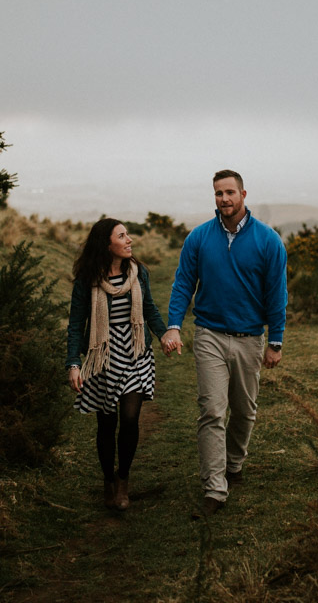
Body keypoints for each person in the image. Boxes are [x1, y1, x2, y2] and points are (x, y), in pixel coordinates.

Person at [160, 169, 287, 517]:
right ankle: (214, 489)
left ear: (244, 194)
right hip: (210, 335)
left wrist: (275, 340)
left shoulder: (268, 241)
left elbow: (277, 294)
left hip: (250, 339)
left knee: (244, 412)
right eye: (218, 193)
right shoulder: (199, 238)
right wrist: (173, 326)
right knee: (213, 411)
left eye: (230, 192)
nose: (224, 199)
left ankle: (234, 464)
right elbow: (183, 283)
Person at [66, 217, 169, 511]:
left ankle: (123, 480)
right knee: (106, 423)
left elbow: (148, 307)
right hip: (102, 356)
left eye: (128, 235)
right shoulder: (88, 280)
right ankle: (107, 480)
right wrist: (74, 363)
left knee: (130, 419)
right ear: (106, 244)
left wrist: (163, 335)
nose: (129, 240)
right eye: (122, 236)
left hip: (135, 352)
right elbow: (76, 324)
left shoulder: (138, 273)